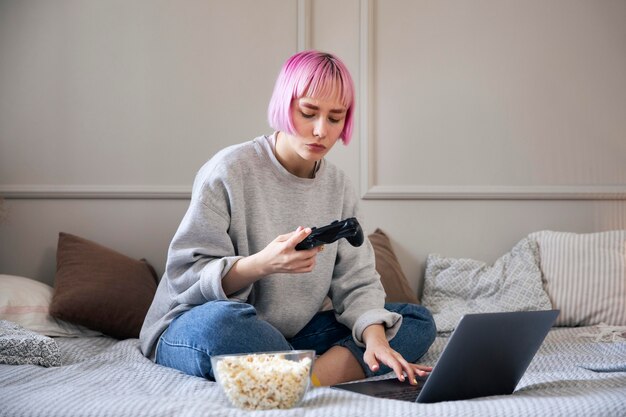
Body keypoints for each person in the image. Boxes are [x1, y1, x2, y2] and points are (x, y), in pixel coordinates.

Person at [139, 50, 436, 386]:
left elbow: (358, 281)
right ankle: (315, 371)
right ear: (284, 104)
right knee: (219, 325)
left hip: (293, 334)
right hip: (193, 326)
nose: (321, 130)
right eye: (308, 113)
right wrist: (261, 264)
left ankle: (303, 378)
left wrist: (376, 339)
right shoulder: (228, 171)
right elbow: (185, 278)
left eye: (335, 118)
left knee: (413, 319)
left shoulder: (338, 186)